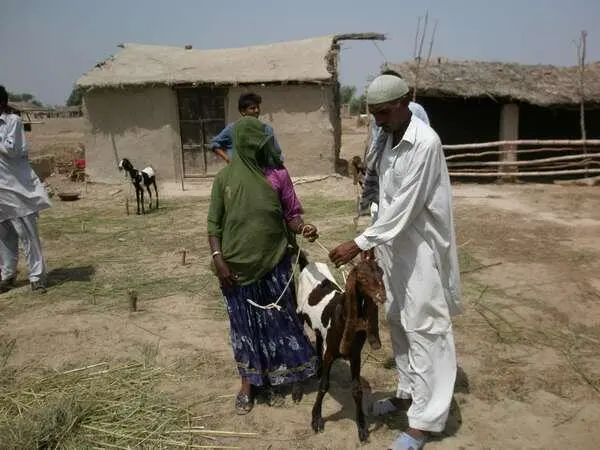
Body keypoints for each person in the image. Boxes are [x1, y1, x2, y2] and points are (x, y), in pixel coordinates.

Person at [328, 74, 461, 450]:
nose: (378, 120)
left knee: (426, 329)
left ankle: (424, 423)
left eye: (384, 112)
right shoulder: (386, 138)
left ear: (404, 103)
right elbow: (385, 200)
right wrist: (373, 243)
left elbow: (405, 206)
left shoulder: (425, 143)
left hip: (422, 252)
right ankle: (408, 395)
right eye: (374, 114)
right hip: (393, 249)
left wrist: (358, 243)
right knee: (399, 322)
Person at [207, 115, 318, 415]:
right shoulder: (224, 180)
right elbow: (213, 225)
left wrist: (303, 228)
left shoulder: (278, 175)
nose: (258, 147)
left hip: (274, 262)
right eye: (251, 143)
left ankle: (292, 373)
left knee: (282, 320)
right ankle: (249, 383)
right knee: (244, 327)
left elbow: (291, 215)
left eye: (261, 142)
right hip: (236, 270)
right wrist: (218, 259)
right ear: (241, 145)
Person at [0, 85, 51, 294]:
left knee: (27, 235)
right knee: (4, 237)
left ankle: (37, 277)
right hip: (0, 192)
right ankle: (8, 275)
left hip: (17, 189)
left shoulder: (13, 121)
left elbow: (11, 150)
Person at [209, 92, 283, 164]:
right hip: (238, 170)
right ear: (243, 112)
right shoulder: (233, 128)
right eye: (252, 108)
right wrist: (227, 159)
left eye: (258, 107)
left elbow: (276, 152)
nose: (257, 110)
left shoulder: (266, 129)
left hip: (260, 170)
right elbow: (213, 144)